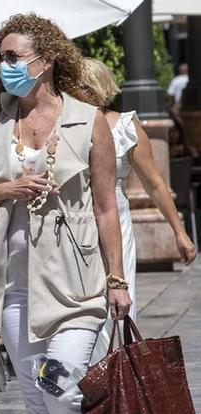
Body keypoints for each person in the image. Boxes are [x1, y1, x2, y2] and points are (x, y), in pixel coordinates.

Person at [0, 14, 131, 414]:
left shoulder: (87, 120)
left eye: (13, 56)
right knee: (36, 402)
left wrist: (117, 279)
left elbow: (105, 207)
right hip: (16, 289)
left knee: (61, 388)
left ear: (46, 59)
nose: (4, 65)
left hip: (77, 286)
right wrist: (8, 187)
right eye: (1, 57)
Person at [80, 57, 196, 361]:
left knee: (115, 304)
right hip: (73, 222)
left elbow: (155, 184)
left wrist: (179, 231)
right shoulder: (63, 126)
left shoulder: (124, 126)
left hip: (114, 220)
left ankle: (113, 378)